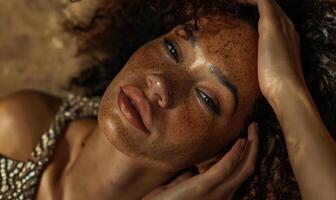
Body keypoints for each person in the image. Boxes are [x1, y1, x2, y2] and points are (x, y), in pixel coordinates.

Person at [0, 0, 335, 200]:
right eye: (173, 49)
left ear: (226, 154)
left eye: (207, 98)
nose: (160, 82)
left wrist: (287, 93)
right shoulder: (19, 128)